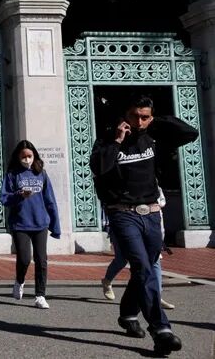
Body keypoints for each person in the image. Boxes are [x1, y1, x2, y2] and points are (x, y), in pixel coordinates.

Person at [91, 94, 196, 355]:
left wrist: (155, 121)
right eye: (134, 116)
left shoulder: (153, 138)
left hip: (151, 213)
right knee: (141, 266)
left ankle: (128, 314)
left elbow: (190, 132)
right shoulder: (108, 140)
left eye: (144, 117)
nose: (139, 122)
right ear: (124, 116)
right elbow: (99, 167)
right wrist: (117, 140)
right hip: (122, 214)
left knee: (144, 270)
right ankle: (161, 330)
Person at [0, 140, 61, 310]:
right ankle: (19, 280)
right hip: (20, 223)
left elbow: (50, 200)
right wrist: (19, 195)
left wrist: (55, 225)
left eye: (29, 156)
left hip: (40, 223)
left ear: (34, 156)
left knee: (41, 260)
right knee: (25, 258)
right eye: (23, 156)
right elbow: (4, 198)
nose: (27, 159)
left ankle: (40, 295)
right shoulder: (12, 174)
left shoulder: (41, 174)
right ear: (18, 157)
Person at [102, 189, 175, 310]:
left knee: (154, 260)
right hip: (124, 224)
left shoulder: (152, 184)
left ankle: (156, 296)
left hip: (149, 224)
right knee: (122, 260)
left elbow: (160, 204)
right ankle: (107, 281)